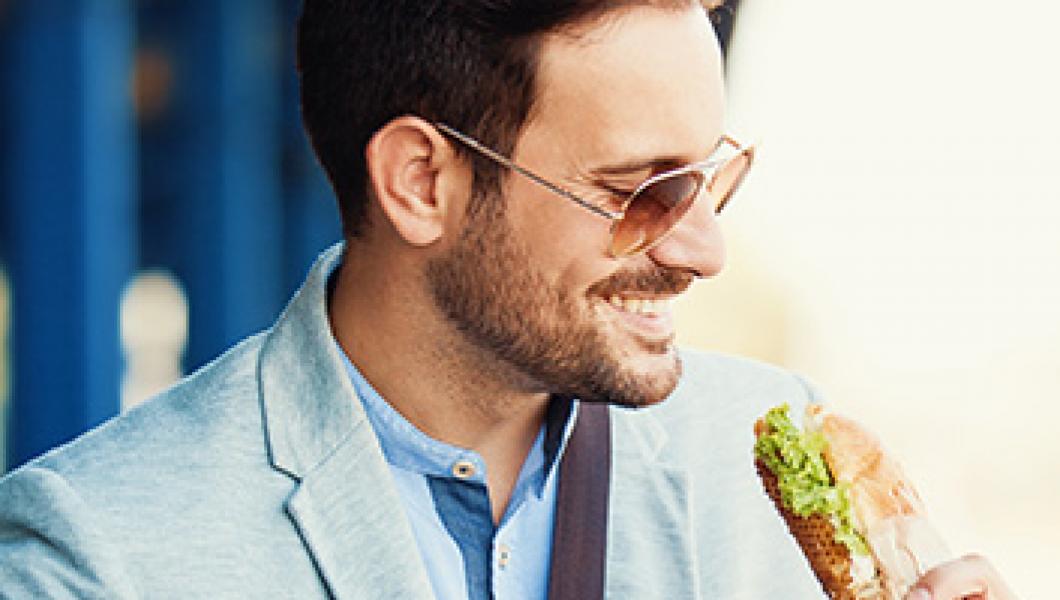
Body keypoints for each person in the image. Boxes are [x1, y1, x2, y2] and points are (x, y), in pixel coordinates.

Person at [0, 1, 1018, 599]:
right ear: (421, 182)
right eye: (638, 192)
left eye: (708, 176)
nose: (704, 249)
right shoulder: (97, 557)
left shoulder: (758, 476)